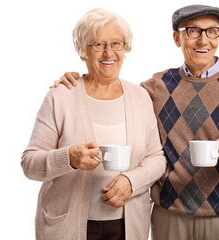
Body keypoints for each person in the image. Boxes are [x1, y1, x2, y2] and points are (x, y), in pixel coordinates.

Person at [55, 4, 219, 240]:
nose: (203, 40)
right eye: (193, 31)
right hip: (169, 216)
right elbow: (111, 89)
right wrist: (77, 80)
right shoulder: (155, 88)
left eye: (212, 31)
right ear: (177, 38)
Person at [21, 8, 166, 240]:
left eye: (116, 43)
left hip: (128, 226)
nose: (108, 53)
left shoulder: (140, 96)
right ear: (82, 52)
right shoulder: (61, 96)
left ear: (125, 49)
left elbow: (157, 158)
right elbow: (29, 164)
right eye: (97, 44)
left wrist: (131, 181)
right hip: (67, 226)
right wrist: (68, 158)